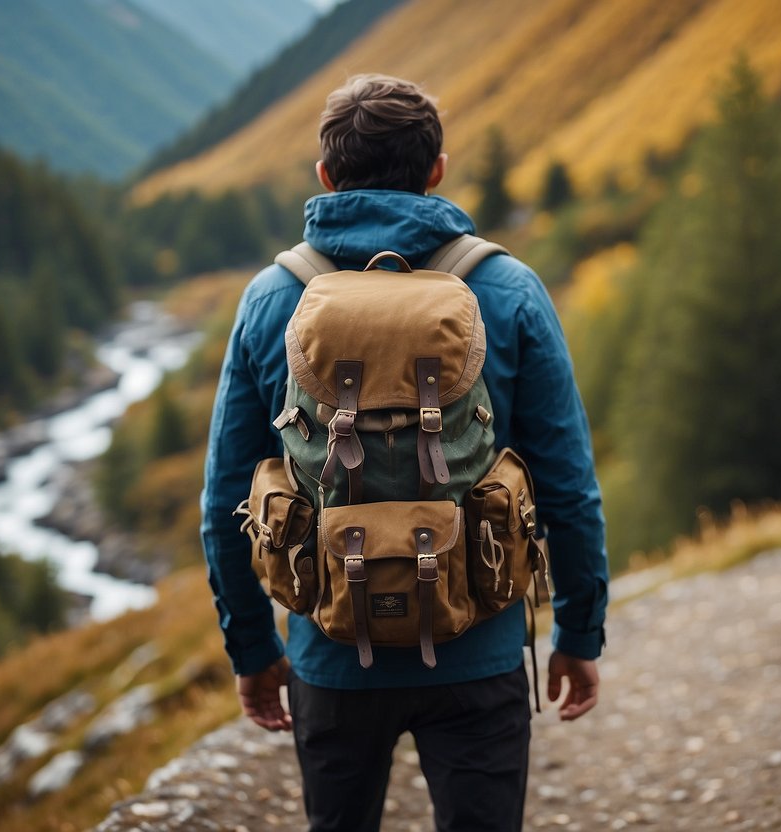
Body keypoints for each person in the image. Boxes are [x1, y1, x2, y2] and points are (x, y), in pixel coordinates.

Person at [201, 73, 609, 832]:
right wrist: (580, 632)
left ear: (326, 177)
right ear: (435, 172)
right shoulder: (507, 288)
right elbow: (567, 484)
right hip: (478, 648)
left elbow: (224, 495)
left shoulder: (272, 298)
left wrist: (251, 649)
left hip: (328, 652)